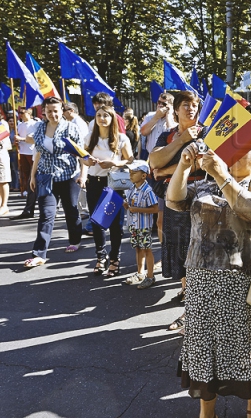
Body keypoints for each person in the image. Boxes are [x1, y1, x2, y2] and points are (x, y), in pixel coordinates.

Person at [167, 139, 251, 418]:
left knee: (245, 349)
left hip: (245, 283)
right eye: (229, 151)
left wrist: (222, 174)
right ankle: (207, 413)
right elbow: (174, 200)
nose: (234, 156)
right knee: (204, 351)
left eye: (244, 150)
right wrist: (183, 165)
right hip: (202, 281)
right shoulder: (206, 184)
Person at [149, 91, 204, 331]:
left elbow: (199, 163)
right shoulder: (168, 135)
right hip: (174, 200)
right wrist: (180, 142)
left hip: (201, 200)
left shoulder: (207, 133)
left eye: (194, 105)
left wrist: (164, 172)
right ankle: (186, 293)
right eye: (185, 105)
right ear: (177, 109)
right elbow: (154, 161)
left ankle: (191, 312)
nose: (190, 109)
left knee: (197, 253)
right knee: (182, 250)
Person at [26, 97, 86, 267]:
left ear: (62, 111)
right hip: (45, 177)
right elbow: (38, 152)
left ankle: (75, 240)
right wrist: (32, 175)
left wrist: (83, 175)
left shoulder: (71, 128)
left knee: (71, 210)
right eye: (49, 111)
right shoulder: (40, 128)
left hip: (68, 176)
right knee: (46, 214)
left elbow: (82, 154)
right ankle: (39, 254)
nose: (52, 114)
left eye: (56, 111)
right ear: (44, 111)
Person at [82, 105, 133, 277]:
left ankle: (115, 259)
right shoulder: (89, 137)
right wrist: (87, 162)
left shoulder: (121, 138)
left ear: (112, 119)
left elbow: (130, 160)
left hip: (113, 183)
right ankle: (100, 257)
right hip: (94, 182)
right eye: (99, 115)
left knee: (115, 224)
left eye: (106, 115)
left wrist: (114, 163)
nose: (102, 118)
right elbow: (83, 158)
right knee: (96, 221)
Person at [141, 92, 176, 244]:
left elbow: (172, 133)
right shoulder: (150, 116)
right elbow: (143, 131)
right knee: (153, 209)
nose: (160, 107)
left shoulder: (175, 118)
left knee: (164, 214)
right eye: (159, 103)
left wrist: (168, 116)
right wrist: (156, 116)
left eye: (164, 104)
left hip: (167, 167)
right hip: (151, 164)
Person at [123, 160, 159, 289]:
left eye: (134, 172)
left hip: (144, 226)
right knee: (138, 248)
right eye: (130, 172)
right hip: (134, 225)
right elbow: (130, 205)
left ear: (144, 176)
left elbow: (155, 209)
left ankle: (150, 276)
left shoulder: (147, 190)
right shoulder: (132, 189)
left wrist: (137, 209)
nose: (130, 174)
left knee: (146, 249)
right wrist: (127, 206)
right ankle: (140, 273)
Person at [10, 108, 39, 219]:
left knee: (33, 179)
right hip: (23, 152)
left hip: (32, 153)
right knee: (27, 177)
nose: (20, 115)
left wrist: (21, 138)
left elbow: (34, 138)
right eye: (19, 113)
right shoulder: (20, 125)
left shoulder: (35, 124)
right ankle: (28, 208)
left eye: (22, 113)